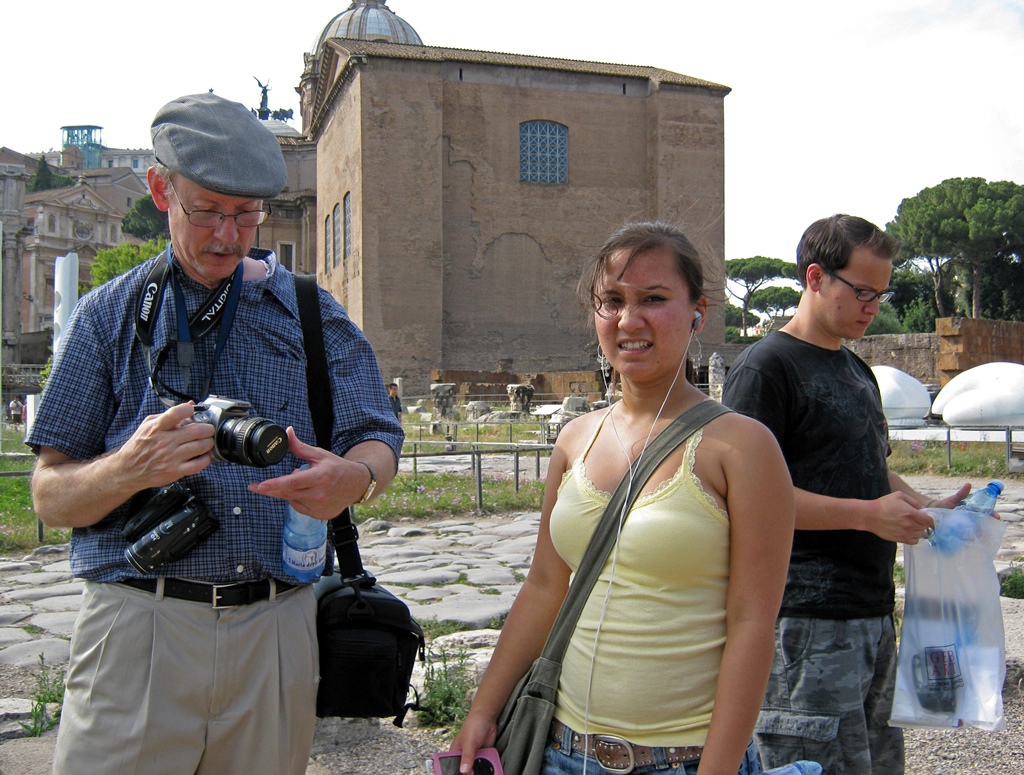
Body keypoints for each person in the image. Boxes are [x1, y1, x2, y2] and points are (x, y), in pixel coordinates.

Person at [27, 93, 404, 775]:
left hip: (275, 626)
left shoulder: (312, 313)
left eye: (245, 214)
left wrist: (355, 478)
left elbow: (378, 436)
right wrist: (129, 467)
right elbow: (50, 497)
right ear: (159, 187)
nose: (228, 236)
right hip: (137, 625)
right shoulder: (106, 316)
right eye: (206, 211)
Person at [451, 222, 795, 775]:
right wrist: (483, 708)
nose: (629, 321)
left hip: (681, 760)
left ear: (697, 313)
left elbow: (753, 622)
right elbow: (544, 585)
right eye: (611, 301)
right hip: (560, 752)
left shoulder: (742, 447)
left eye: (654, 300)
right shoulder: (575, 437)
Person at [722, 214, 971, 774]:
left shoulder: (855, 369)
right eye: (862, 291)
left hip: (871, 613)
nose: (872, 307)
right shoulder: (764, 369)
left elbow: (869, 471)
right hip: (802, 620)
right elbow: (747, 501)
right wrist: (867, 518)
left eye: (880, 295)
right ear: (815, 277)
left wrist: (926, 508)